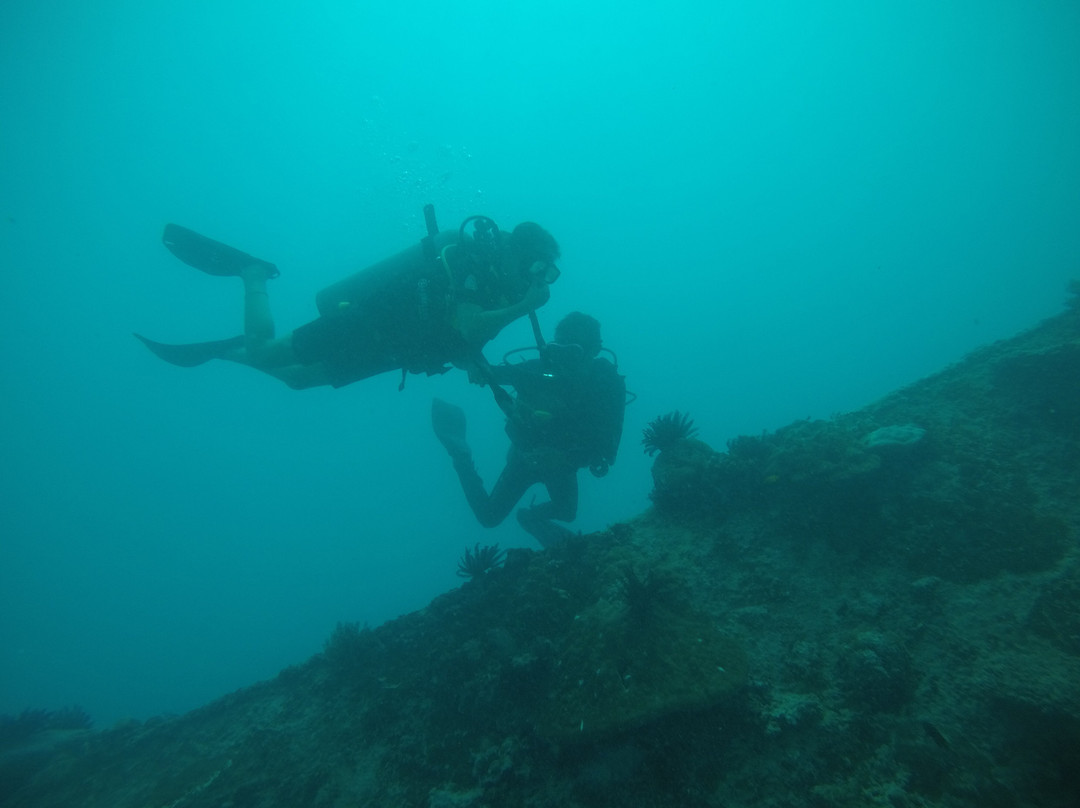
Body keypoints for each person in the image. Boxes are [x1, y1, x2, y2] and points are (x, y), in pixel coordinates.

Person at [135, 212, 560, 390]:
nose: (538, 279)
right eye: (537, 267)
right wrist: (523, 307)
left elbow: (465, 342)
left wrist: (478, 365)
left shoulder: (502, 293)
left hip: (397, 351)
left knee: (297, 381)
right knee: (266, 353)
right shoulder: (474, 267)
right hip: (372, 322)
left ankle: (229, 350)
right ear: (516, 254)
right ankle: (254, 273)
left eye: (546, 273)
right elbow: (467, 322)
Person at [432, 312, 626, 548]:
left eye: (573, 352)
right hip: (525, 456)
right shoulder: (540, 370)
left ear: (595, 350)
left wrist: (564, 458)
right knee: (489, 517)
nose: (563, 361)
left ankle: (529, 518)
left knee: (567, 512)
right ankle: (460, 455)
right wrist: (475, 367)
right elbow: (494, 373)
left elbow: (606, 451)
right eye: (557, 350)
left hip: (564, 463)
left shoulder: (607, 386)